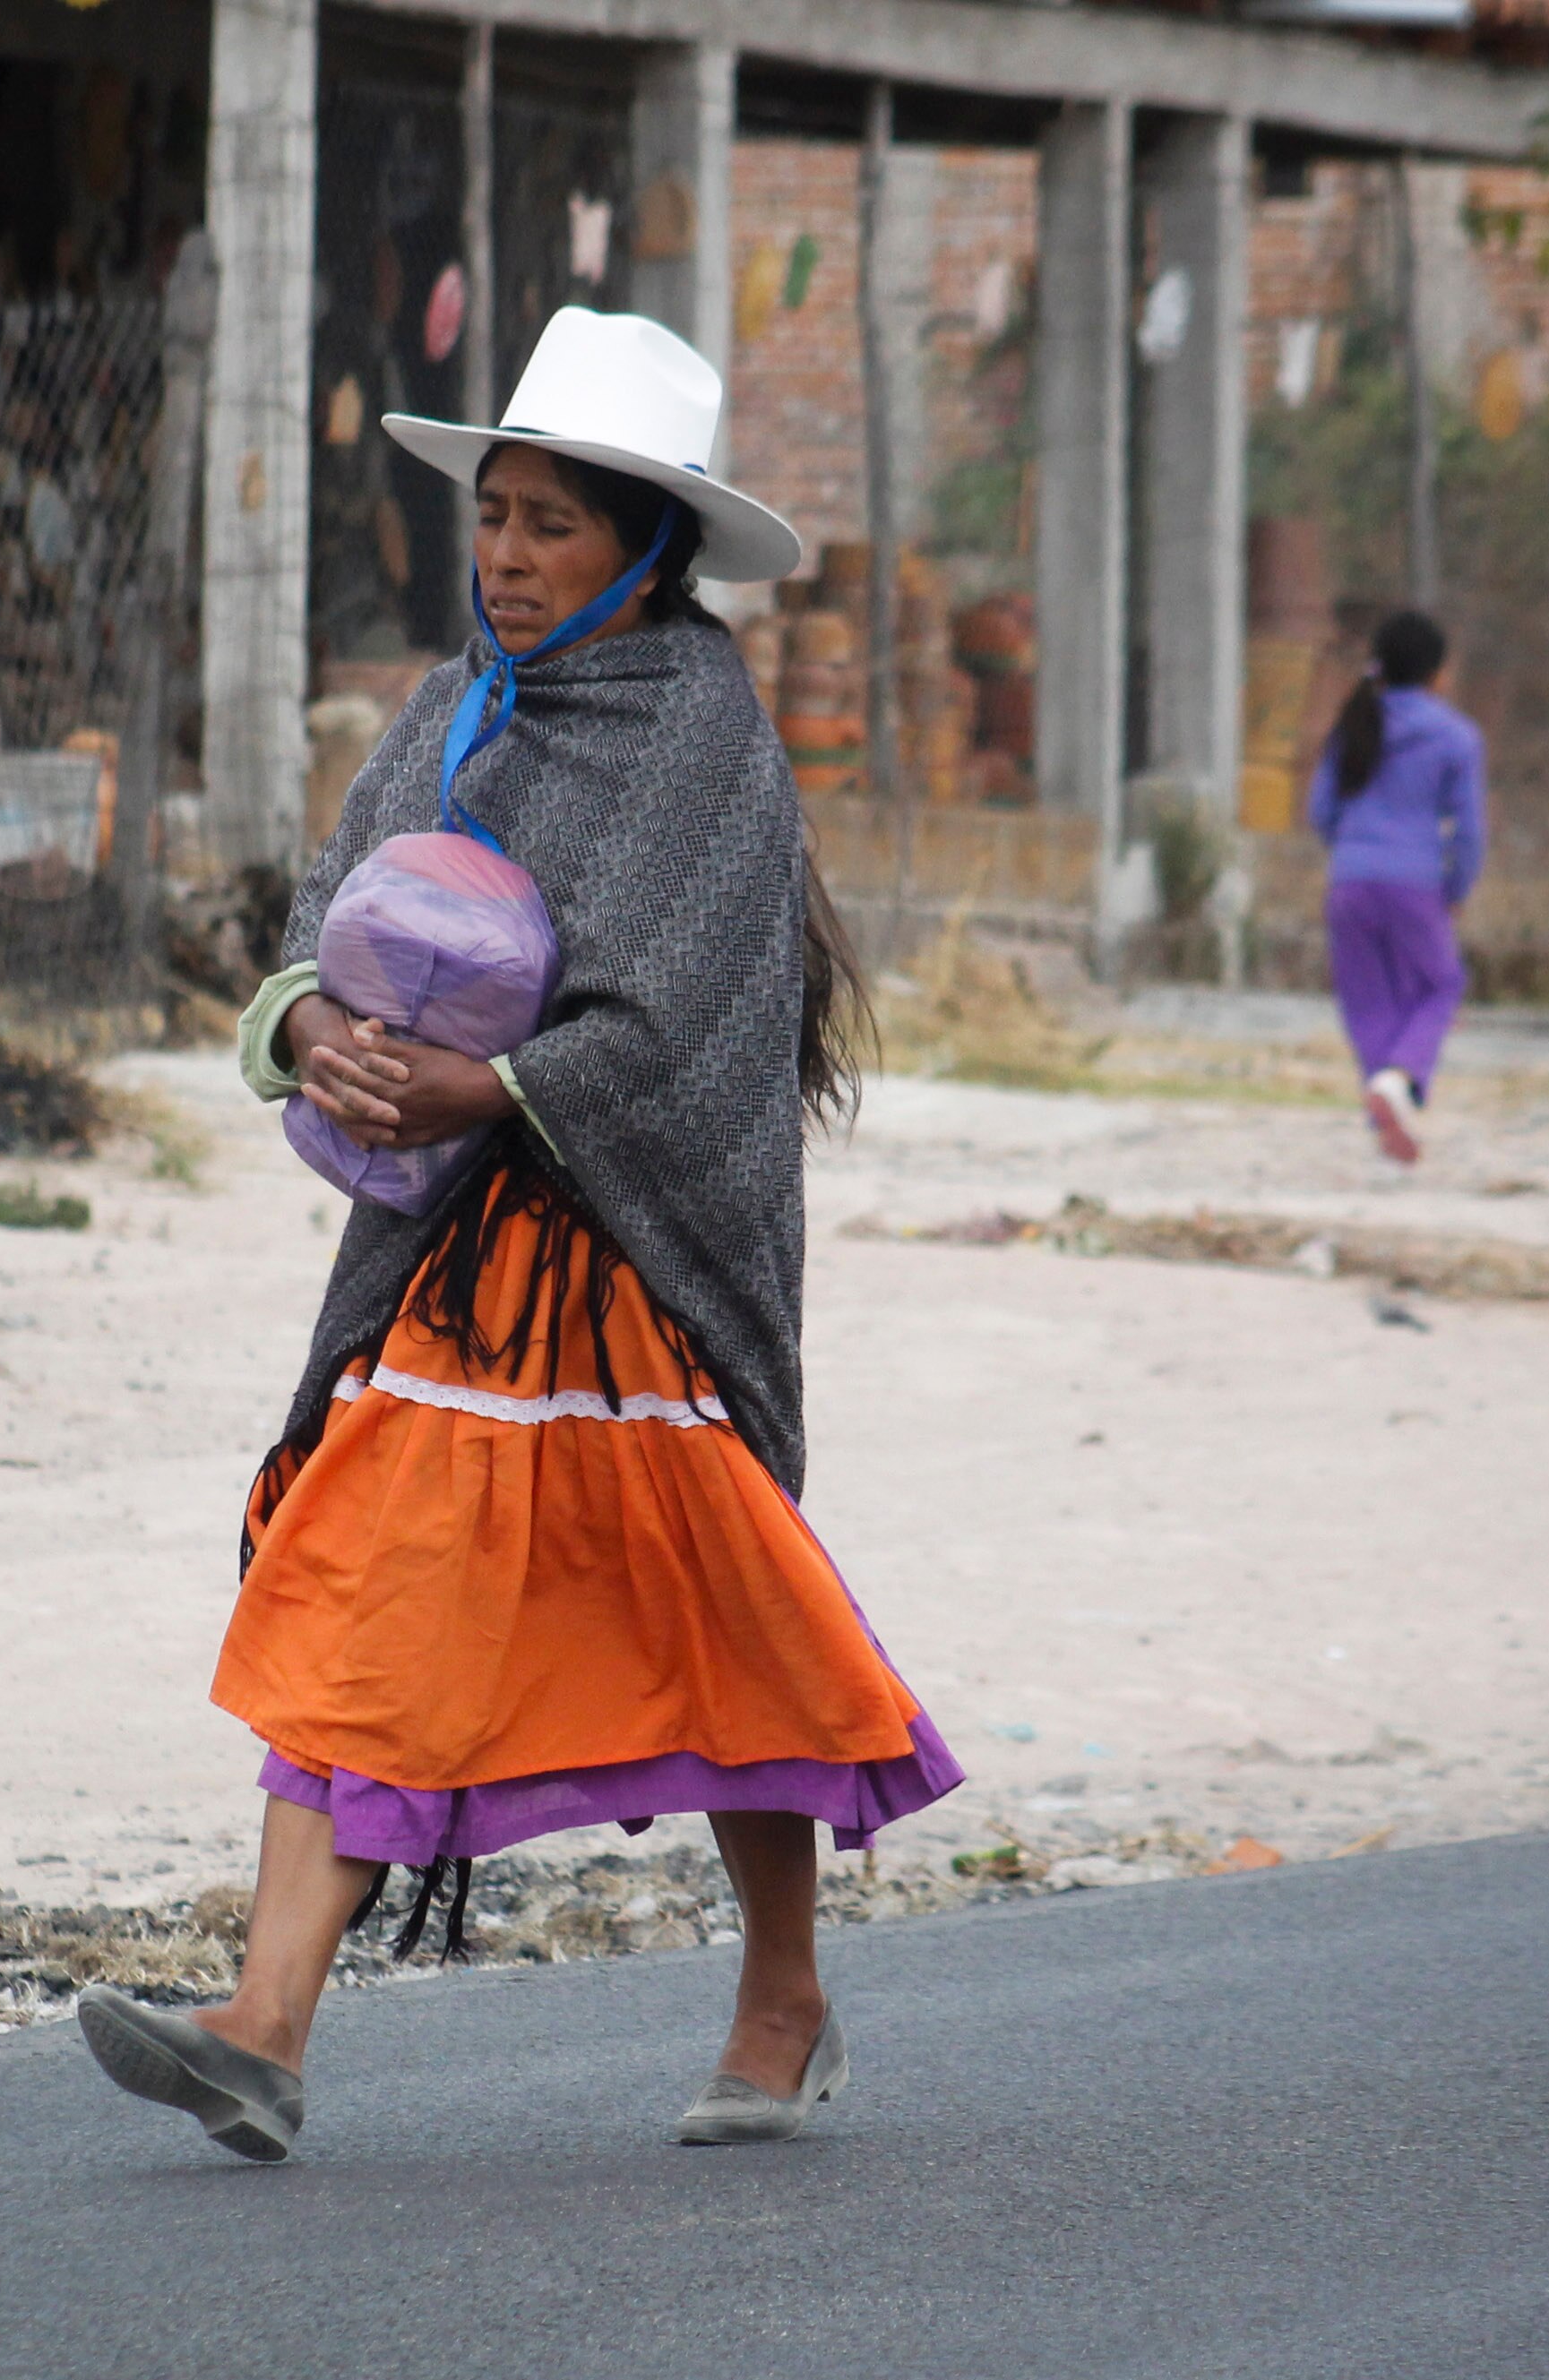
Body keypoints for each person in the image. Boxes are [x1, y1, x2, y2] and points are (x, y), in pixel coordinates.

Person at [72, 309, 961, 2161]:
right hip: (459, 1282)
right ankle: (264, 2022)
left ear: (646, 544)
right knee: (361, 1570)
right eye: (493, 513)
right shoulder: (449, 708)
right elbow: (324, 927)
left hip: (634, 1271)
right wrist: (317, 1036)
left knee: (721, 1622)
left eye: (553, 522)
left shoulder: (700, 734)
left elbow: (692, 1020)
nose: (507, 554)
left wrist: (488, 1085)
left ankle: (785, 1996)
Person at [1309, 610, 1485, 1168]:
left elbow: (1320, 811)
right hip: (1416, 882)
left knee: (1368, 1003)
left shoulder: (1353, 724)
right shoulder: (1456, 737)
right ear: (1437, 672)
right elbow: (1470, 831)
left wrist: (1353, 850)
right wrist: (1455, 887)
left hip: (1350, 881)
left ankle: (1386, 1113)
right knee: (1440, 985)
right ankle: (1402, 1080)